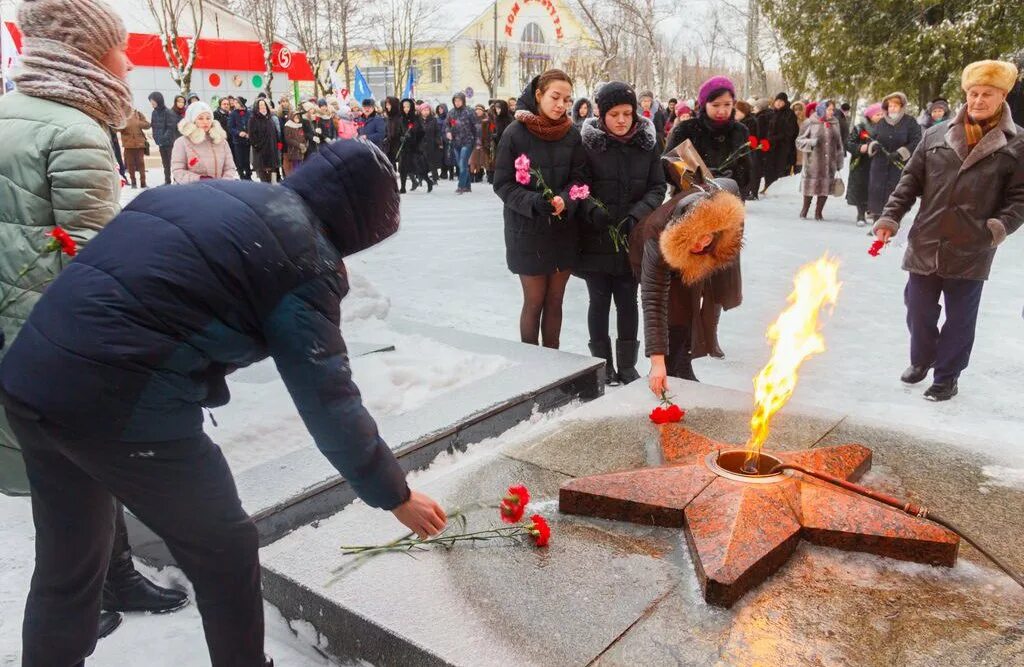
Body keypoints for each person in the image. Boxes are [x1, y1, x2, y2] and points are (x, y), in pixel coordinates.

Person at [0, 137, 448, 667]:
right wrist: (395, 494)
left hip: (31, 376)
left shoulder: (213, 197)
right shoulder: (304, 258)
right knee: (226, 548)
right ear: (361, 222)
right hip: (120, 401)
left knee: (69, 559)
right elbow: (329, 399)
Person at [0, 0, 190, 652]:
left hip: (17, 337)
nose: (129, 60)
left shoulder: (8, 116)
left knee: (70, 475)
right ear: (83, 53)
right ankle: (82, 602)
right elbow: (93, 266)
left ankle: (116, 578)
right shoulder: (75, 130)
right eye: (118, 47)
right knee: (71, 492)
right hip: (63, 347)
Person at [873, 60, 1023, 402]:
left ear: (1002, 96)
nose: (978, 100)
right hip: (927, 238)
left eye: (987, 94)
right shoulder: (935, 134)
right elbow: (909, 182)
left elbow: (1020, 198)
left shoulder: (1017, 144)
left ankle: (947, 376)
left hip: (973, 245)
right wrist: (889, 218)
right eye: (973, 93)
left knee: (960, 318)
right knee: (918, 307)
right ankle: (922, 359)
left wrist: (997, 228)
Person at [577, 82, 667, 385]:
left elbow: (658, 187)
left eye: (627, 113)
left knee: (628, 301)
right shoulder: (589, 144)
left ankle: (627, 366)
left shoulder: (647, 143)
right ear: (602, 115)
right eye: (614, 114)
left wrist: (637, 215)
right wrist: (592, 210)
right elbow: (579, 185)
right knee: (599, 301)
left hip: (632, 237)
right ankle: (600, 365)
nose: (621, 120)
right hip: (595, 236)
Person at [494, 69, 587, 349]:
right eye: (555, 97)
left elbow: (580, 178)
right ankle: (531, 364)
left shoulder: (572, 133)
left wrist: (565, 200)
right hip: (527, 230)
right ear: (538, 95)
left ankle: (553, 363)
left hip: (563, 230)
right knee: (534, 301)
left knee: (555, 301)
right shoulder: (515, 133)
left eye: (567, 99)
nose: (561, 105)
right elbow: (502, 184)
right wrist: (535, 203)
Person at [664, 75, 748, 362]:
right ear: (704, 104)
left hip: (726, 214)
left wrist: (727, 182)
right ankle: (687, 338)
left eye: (728, 104)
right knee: (691, 278)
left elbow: (749, 173)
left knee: (717, 279)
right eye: (716, 104)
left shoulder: (740, 132)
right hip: (690, 213)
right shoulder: (686, 129)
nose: (723, 110)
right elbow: (669, 165)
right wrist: (699, 177)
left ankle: (711, 337)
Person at [634, 181, 746, 392]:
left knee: (688, 309)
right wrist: (657, 363)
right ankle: (666, 370)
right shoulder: (656, 235)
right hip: (648, 254)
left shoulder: (724, 213)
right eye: (694, 240)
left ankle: (684, 366)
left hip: (691, 259)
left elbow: (730, 185)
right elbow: (653, 301)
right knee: (673, 311)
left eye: (706, 237)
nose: (701, 244)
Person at [867, 92, 922, 220]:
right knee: (877, 191)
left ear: (901, 107)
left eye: (895, 106)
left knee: (895, 191)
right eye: (890, 106)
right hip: (880, 164)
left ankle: (892, 220)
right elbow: (871, 138)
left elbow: (916, 140)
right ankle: (877, 220)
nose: (892, 108)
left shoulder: (910, 122)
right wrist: (873, 145)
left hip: (899, 165)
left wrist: (901, 153)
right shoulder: (881, 122)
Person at [795, 100, 844, 221]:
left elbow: (839, 144)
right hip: (813, 162)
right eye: (829, 109)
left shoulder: (835, 123)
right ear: (822, 109)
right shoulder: (810, 122)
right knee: (810, 186)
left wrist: (839, 160)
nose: (831, 112)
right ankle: (805, 210)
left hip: (829, 163)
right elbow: (799, 141)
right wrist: (811, 142)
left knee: (825, 187)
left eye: (833, 110)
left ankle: (819, 212)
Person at [171, 101, 237, 183]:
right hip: (194, 191)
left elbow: (230, 168)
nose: (205, 122)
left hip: (220, 190)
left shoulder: (221, 141)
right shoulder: (182, 142)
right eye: (200, 118)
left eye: (208, 118)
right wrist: (200, 179)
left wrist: (224, 182)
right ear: (193, 120)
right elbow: (178, 171)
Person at [846, 102, 883, 226]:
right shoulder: (860, 127)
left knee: (878, 191)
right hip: (862, 163)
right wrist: (859, 148)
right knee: (861, 190)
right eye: (878, 114)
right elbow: (849, 143)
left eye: (883, 114)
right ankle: (861, 215)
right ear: (870, 116)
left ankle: (877, 218)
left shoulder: (888, 128)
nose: (881, 116)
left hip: (880, 164)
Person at [763, 92, 799, 192]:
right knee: (769, 167)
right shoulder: (772, 113)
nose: (778, 103)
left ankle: (777, 190)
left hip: (783, 147)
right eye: (777, 101)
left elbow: (791, 131)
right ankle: (767, 186)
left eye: (781, 101)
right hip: (771, 146)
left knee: (780, 167)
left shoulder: (789, 114)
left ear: (785, 102)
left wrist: (776, 138)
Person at [448, 91, 480, 194]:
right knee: (461, 164)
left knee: (462, 163)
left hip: (467, 141)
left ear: (463, 101)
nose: (457, 103)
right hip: (456, 142)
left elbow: (477, 126)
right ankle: (467, 186)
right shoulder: (451, 112)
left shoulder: (469, 111)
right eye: (455, 101)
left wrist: (478, 141)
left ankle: (461, 186)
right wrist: (448, 132)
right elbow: (447, 125)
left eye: (459, 100)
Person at [149, 91, 181, 185]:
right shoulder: (154, 113)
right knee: (165, 164)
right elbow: (154, 127)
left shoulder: (168, 112)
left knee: (174, 163)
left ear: (158, 100)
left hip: (170, 143)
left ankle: (177, 179)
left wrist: (163, 138)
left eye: (152, 101)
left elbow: (170, 128)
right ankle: (167, 181)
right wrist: (156, 138)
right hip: (161, 143)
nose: (151, 103)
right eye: (151, 101)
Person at [398, 97, 428, 193]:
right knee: (402, 168)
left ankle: (428, 181)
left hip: (414, 148)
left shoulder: (415, 118)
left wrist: (412, 135)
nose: (406, 109)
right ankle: (403, 187)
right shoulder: (401, 119)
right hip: (404, 148)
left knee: (417, 168)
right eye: (404, 107)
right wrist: (401, 137)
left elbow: (422, 132)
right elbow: (398, 132)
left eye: (408, 106)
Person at [248, 98, 280, 183]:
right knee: (263, 175)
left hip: (272, 151)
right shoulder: (253, 119)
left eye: (264, 104)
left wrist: (278, 146)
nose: (262, 107)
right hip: (261, 152)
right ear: (257, 107)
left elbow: (276, 134)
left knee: (272, 174)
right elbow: (252, 136)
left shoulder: (270, 118)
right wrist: (258, 146)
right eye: (260, 105)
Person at [119, 107, 151, 189]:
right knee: (130, 165)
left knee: (141, 163)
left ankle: (143, 183)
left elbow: (147, 125)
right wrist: (124, 125)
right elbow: (117, 129)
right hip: (128, 145)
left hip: (139, 144)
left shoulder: (138, 113)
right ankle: (133, 183)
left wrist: (138, 123)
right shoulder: (122, 115)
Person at [228, 96, 252, 180]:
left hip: (247, 140)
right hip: (238, 141)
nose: (234, 104)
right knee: (239, 160)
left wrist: (250, 133)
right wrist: (238, 133)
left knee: (247, 159)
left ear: (241, 103)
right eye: (234, 102)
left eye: (236, 102)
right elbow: (230, 128)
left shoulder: (249, 113)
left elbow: (252, 125)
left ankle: (248, 176)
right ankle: (242, 176)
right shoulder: (233, 114)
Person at [418, 103, 442, 183]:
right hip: (420, 144)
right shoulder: (417, 120)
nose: (425, 112)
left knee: (432, 162)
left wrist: (438, 141)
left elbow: (437, 132)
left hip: (431, 144)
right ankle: (420, 179)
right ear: (421, 111)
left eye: (427, 110)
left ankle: (435, 178)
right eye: (424, 110)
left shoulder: (433, 120)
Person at [282, 110, 308, 176]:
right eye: (295, 117)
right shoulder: (288, 126)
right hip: (294, 150)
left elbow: (302, 136)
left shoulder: (299, 126)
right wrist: (299, 145)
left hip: (300, 150)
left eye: (298, 117)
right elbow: (288, 139)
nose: (297, 118)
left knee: (300, 166)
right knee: (296, 167)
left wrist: (305, 145)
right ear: (292, 117)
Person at [383, 96, 403, 166]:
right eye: (386, 104)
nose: (387, 106)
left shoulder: (401, 117)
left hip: (399, 146)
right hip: (389, 146)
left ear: (394, 105)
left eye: (389, 104)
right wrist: (385, 139)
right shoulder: (388, 118)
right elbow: (386, 131)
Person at [791, 101, 807, 175]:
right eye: (795, 110)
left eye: (799, 109)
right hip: (792, 151)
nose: (797, 112)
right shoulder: (790, 121)